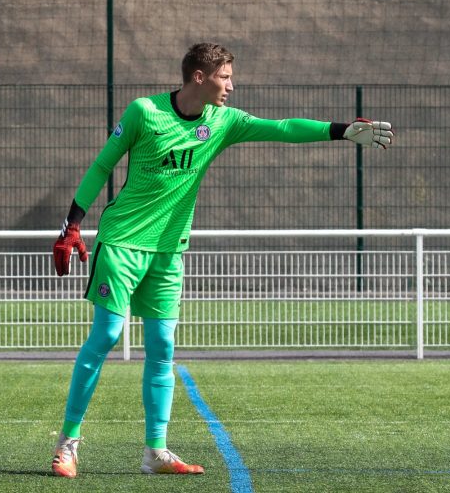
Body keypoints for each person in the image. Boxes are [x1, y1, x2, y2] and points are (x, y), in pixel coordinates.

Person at [50, 42, 393, 478]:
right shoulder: (144, 112)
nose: (230, 85)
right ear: (199, 76)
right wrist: (72, 226)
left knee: (163, 349)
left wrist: (341, 130)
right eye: (225, 76)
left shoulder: (223, 121)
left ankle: (155, 452)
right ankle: (68, 444)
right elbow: (102, 166)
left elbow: (283, 128)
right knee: (107, 335)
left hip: (170, 252)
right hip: (122, 243)